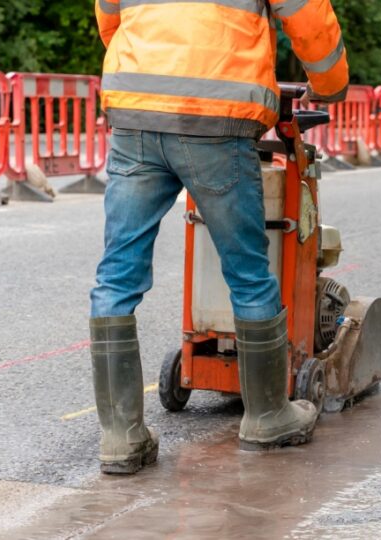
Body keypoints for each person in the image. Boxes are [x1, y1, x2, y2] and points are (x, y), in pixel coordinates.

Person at [91, 0, 349, 474]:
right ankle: (268, 416)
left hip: (135, 114)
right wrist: (332, 86)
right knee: (248, 271)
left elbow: (111, 20)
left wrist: (153, 67)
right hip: (216, 117)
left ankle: (120, 439)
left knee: (116, 275)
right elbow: (309, 20)